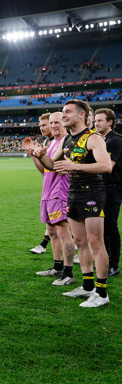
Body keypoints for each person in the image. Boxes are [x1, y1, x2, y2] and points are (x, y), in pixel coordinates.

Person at [33, 99, 112, 307]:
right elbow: (52, 165)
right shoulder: (68, 141)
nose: (64, 115)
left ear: (81, 115)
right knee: (80, 242)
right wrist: (41, 156)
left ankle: (102, 293)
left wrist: (74, 167)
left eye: (67, 112)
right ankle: (87, 287)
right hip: (73, 193)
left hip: (92, 193)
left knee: (96, 243)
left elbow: (106, 166)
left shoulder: (93, 138)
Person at [24, 112, 76, 285]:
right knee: (52, 232)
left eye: (57, 122)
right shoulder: (51, 142)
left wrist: (41, 156)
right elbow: (44, 170)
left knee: (63, 232)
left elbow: (55, 167)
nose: (53, 125)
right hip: (47, 192)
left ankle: (68, 272)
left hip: (60, 193)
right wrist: (34, 154)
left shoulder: (67, 142)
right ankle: (57, 267)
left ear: (65, 122)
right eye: (51, 123)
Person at [94, 108, 122, 277]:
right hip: (101, 188)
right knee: (101, 227)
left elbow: (108, 167)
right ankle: (104, 260)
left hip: (113, 188)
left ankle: (114, 265)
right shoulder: (100, 140)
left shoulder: (115, 140)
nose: (96, 123)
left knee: (110, 226)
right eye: (95, 121)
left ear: (110, 122)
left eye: (100, 121)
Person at [30, 113, 54, 254]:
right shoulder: (46, 143)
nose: (41, 128)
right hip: (49, 186)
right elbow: (44, 171)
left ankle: (44, 245)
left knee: (57, 223)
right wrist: (34, 155)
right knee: (52, 223)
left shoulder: (61, 141)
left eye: (44, 125)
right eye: (40, 125)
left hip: (60, 188)